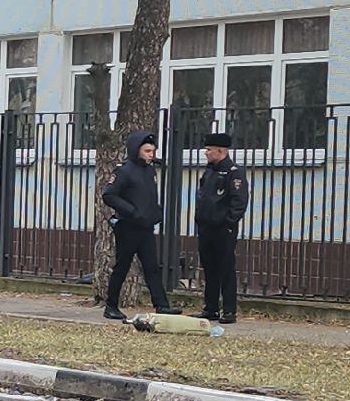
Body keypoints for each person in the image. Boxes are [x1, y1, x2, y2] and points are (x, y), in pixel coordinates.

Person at [100, 130, 176, 320]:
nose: (152, 155)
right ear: (137, 150)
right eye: (148, 151)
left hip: (145, 226)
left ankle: (162, 305)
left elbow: (149, 195)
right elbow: (109, 195)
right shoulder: (124, 171)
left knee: (152, 267)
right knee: (122, 266)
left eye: (153, 151)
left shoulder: (149, 170)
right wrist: (131, 211)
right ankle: (111, 306)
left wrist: (155, 213)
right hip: (128, 227)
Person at [194, 131, 250, 324]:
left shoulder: (233, 172)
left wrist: (228, 223)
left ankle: (229, 310)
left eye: (209, 150)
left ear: (220, 150)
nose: (206, 153)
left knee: (225, 269)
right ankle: (210, 308)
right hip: (206, 227)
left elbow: (239, 201)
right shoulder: (210, 171)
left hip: (223, 229)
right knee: (209, 269)